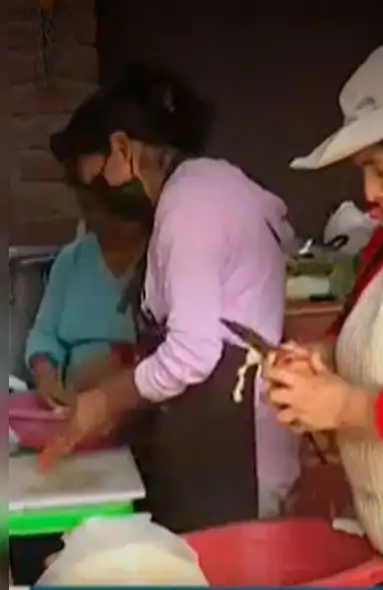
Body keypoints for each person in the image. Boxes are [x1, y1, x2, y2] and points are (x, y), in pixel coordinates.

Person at [39, 62, 300, 531]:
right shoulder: (211, 186)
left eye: (90, 179)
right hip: (217, 444)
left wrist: (105, 400)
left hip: (232, 459)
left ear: (121, 149)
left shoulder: (189, 204)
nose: (92, 201)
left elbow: (193, 353)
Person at [262, 44, 383, 585]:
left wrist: (340, 405)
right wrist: (313, 361)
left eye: (382, 170)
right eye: (363, 171)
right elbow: (360, 340)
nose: (368, 193)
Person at [25, 189, 146, 409]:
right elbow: (45, 333)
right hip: (72, 407)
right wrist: (45, 372)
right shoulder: (72, 259)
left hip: (137, 406)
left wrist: (123, 359)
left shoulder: (161, 258)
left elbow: (178, 348)